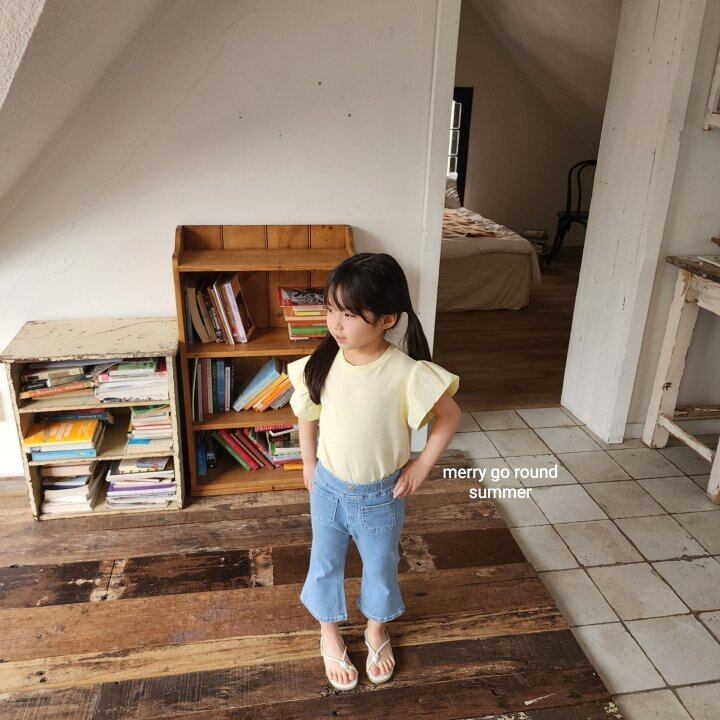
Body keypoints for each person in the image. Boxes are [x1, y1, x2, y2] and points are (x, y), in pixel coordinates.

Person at [286, 252, 461, 691]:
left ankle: (376, 630)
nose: (335, 324)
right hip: (327, 488)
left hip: (381, 496)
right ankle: (328, 632)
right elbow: (307, 413)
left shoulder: (406, 373)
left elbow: (449, 416)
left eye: (348, 314)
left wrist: (422, 465)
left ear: (387, 319)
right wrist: (309, 462)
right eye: (330, 309)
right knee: (324, 561)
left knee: (380, 566)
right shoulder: (323, 361)